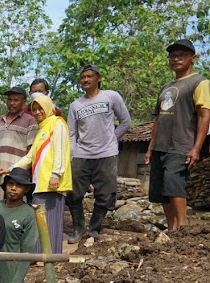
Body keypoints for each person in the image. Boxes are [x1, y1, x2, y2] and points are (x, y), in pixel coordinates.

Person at [145, 39, 210, 230]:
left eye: (182, 55)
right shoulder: (166, 87)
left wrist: (196, 148)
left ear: (193, 58)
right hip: (160, 146)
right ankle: (172, 229)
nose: (176, 59)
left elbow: (205, 115)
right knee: (161, 191)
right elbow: (158, 120)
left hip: (181, 144)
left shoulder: (200, 82)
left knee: (174, 185)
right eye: (173, 56)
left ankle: (182, 228)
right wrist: (150, 148)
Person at [0, 95, 71, 255]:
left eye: (40, 108)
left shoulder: (58, 123)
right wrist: (10, 169)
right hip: (40, 183)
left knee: (49, 221)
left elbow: (60, 151)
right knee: (41, 220)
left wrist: (56, 175)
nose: (37, 112)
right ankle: (41, 255)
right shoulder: (41, 130)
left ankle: (49, 256)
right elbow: (30, 158)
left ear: (49, 108)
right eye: (34, 109)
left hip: (51, 182)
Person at [67, 65, 131, 241]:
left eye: (89, 76)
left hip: (106, 154)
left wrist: (112, 139)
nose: (86, 80)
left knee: (105, 193)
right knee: (73, 194)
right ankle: (78, 229)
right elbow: (72, 133)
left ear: (98, 78)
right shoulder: (76, 105)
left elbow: (125, 121)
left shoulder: (111, 96)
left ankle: (94, 229)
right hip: (81, 154)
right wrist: (73, 153)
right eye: (82, 77)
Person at [0, 87, 38, 201]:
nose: (11, 103)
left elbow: (31, 151)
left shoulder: (30, 121)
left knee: (17, 210)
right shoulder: (0, 121)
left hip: (17, 177)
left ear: (24, 102)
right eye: (9, 100)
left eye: (16, 100)